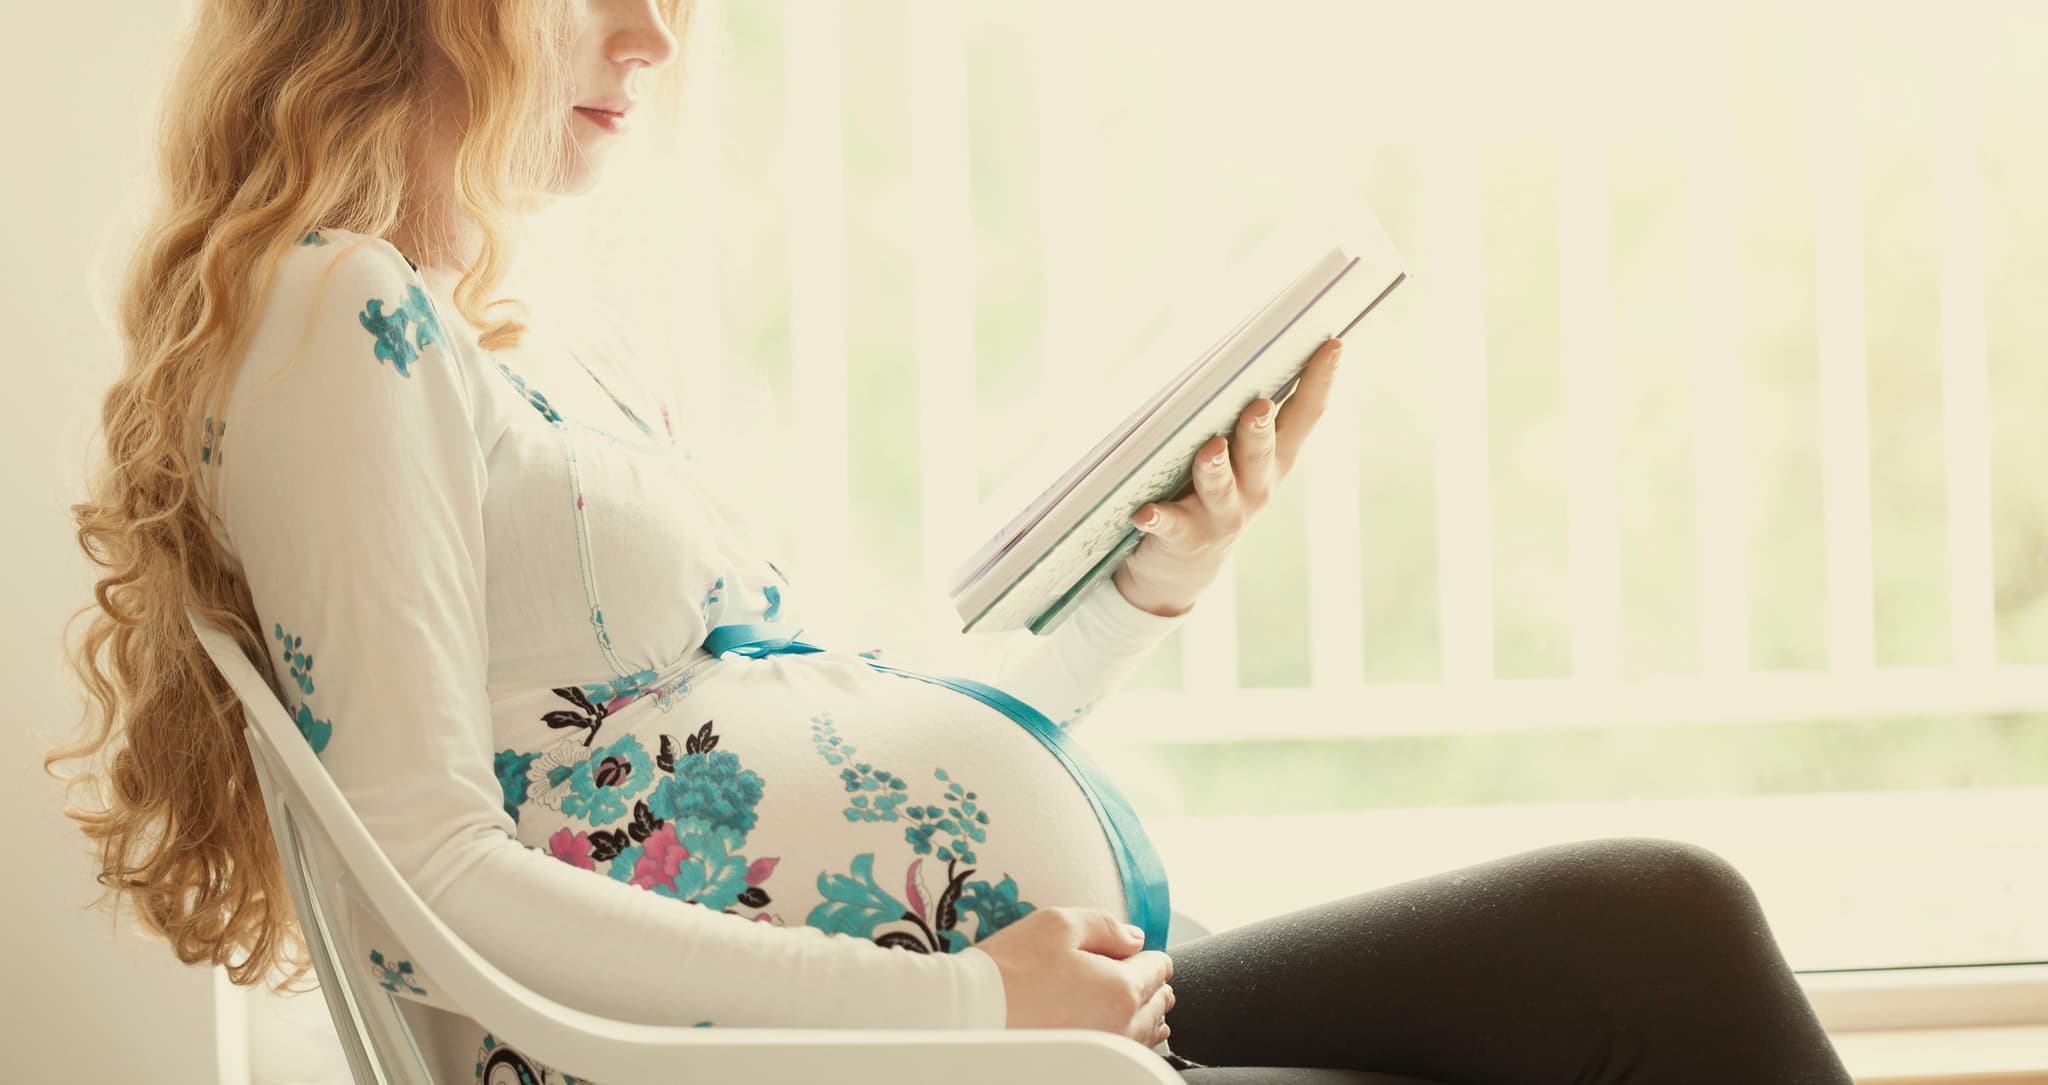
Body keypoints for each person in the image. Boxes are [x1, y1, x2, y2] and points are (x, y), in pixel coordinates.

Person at [46, 1, 1856, 1082]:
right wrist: (981, 998)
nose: (657, 33)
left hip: (968, 1029)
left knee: (1624, 980)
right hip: (879, 1058)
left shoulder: (487, 332)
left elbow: (817, 743)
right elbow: (441, 871)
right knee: (1654, 936)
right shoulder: (332, 319)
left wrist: (1153, 574)